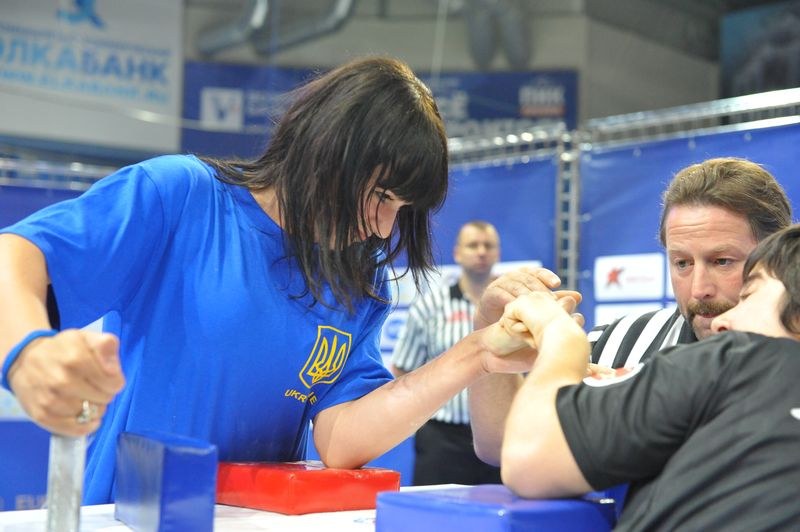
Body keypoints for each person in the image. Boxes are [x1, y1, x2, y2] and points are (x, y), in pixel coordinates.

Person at [0, 56, 564, 504]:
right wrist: (27, 355)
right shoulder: (182, 197)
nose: (385, 226)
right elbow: (16, 253)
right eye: (382, 195)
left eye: (403, 207)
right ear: (330, 152)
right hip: (131, 515)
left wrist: (477, 353)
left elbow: (340, 439)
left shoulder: (358, 282)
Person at [469, 157, 793, 465]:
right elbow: (505, 447)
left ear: (775, 254)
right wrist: (489, 327)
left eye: (722, 261)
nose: (698, 288)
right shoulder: (616, 345)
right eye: (682, 263)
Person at [495, 223, 800, 530]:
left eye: (748, 294)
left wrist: (558, 333)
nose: (723, 322)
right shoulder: (629, 343)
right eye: (682, 263)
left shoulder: (738, 358)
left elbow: (528, 458)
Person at [391, 220, 502, 485]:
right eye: (473, 245)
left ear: (497, 253)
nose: (481, 252)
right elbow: (403, 369)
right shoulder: (430, 306)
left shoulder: (514, 307)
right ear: (457, 253)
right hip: (442, 439)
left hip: (501, 437)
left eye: (488, 245)